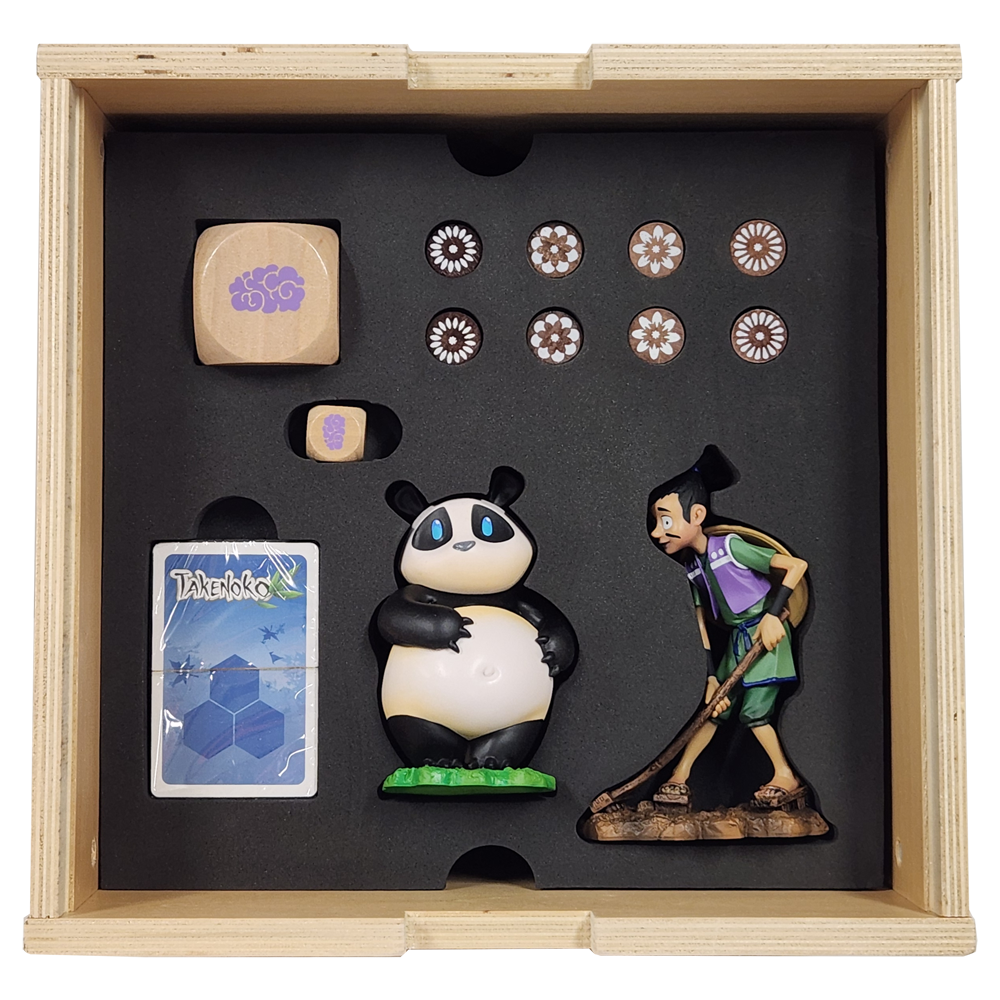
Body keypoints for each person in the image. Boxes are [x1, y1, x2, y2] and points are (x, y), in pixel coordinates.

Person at [648, 445, 809, 810]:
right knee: (714, 709)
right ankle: (679, 777)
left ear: (697, 515)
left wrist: (772, 615)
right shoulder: (693, 568)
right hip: (737, 641)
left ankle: (786, 776)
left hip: (766, 637)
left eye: (666, 521)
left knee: (754, 711)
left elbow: (795, 566)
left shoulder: (731, 548)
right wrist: (710, 674)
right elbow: (702, 620)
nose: (658, 532)